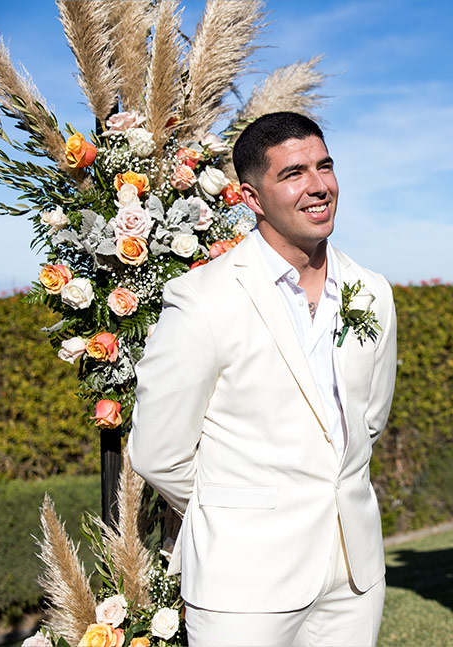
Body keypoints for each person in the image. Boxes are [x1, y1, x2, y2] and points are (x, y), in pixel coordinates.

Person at [129, 112, 397, 646]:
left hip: (354, 577)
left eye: (325, 167)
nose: (319, 186)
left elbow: (369, 420)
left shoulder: (372, 291)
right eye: (294, 174)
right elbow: (158, 452)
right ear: (252, 198)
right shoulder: (202, 299)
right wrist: (243, 506)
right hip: (243, 583)